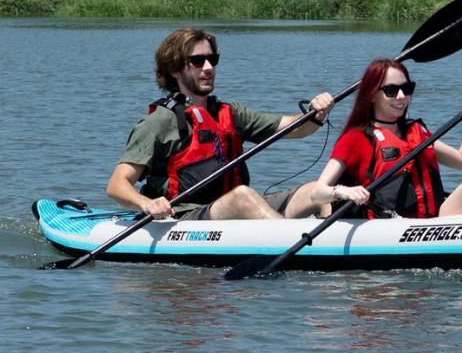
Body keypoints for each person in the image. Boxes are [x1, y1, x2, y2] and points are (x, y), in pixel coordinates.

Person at [107, 27, 334, 221]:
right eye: (197, 61)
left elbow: (298, 128)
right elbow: (117, 185)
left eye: (212, 59)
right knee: (243, 196)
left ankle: (332, 249)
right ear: (175, 70)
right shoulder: (158, 122)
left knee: (320, 191)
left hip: (234, 211)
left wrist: (316, 113)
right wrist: (147, 204)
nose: (208, 67)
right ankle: (290, 241)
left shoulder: (231, 113)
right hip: (184, 218)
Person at [310, 58, 462, 219]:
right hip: (389, 226)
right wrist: (344, 191)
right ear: (372, 95)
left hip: (433, 221)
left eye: (407, 89)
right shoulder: (356, 138)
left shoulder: (415, 132)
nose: (401, 97)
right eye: (391, 90)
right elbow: (317, 193)